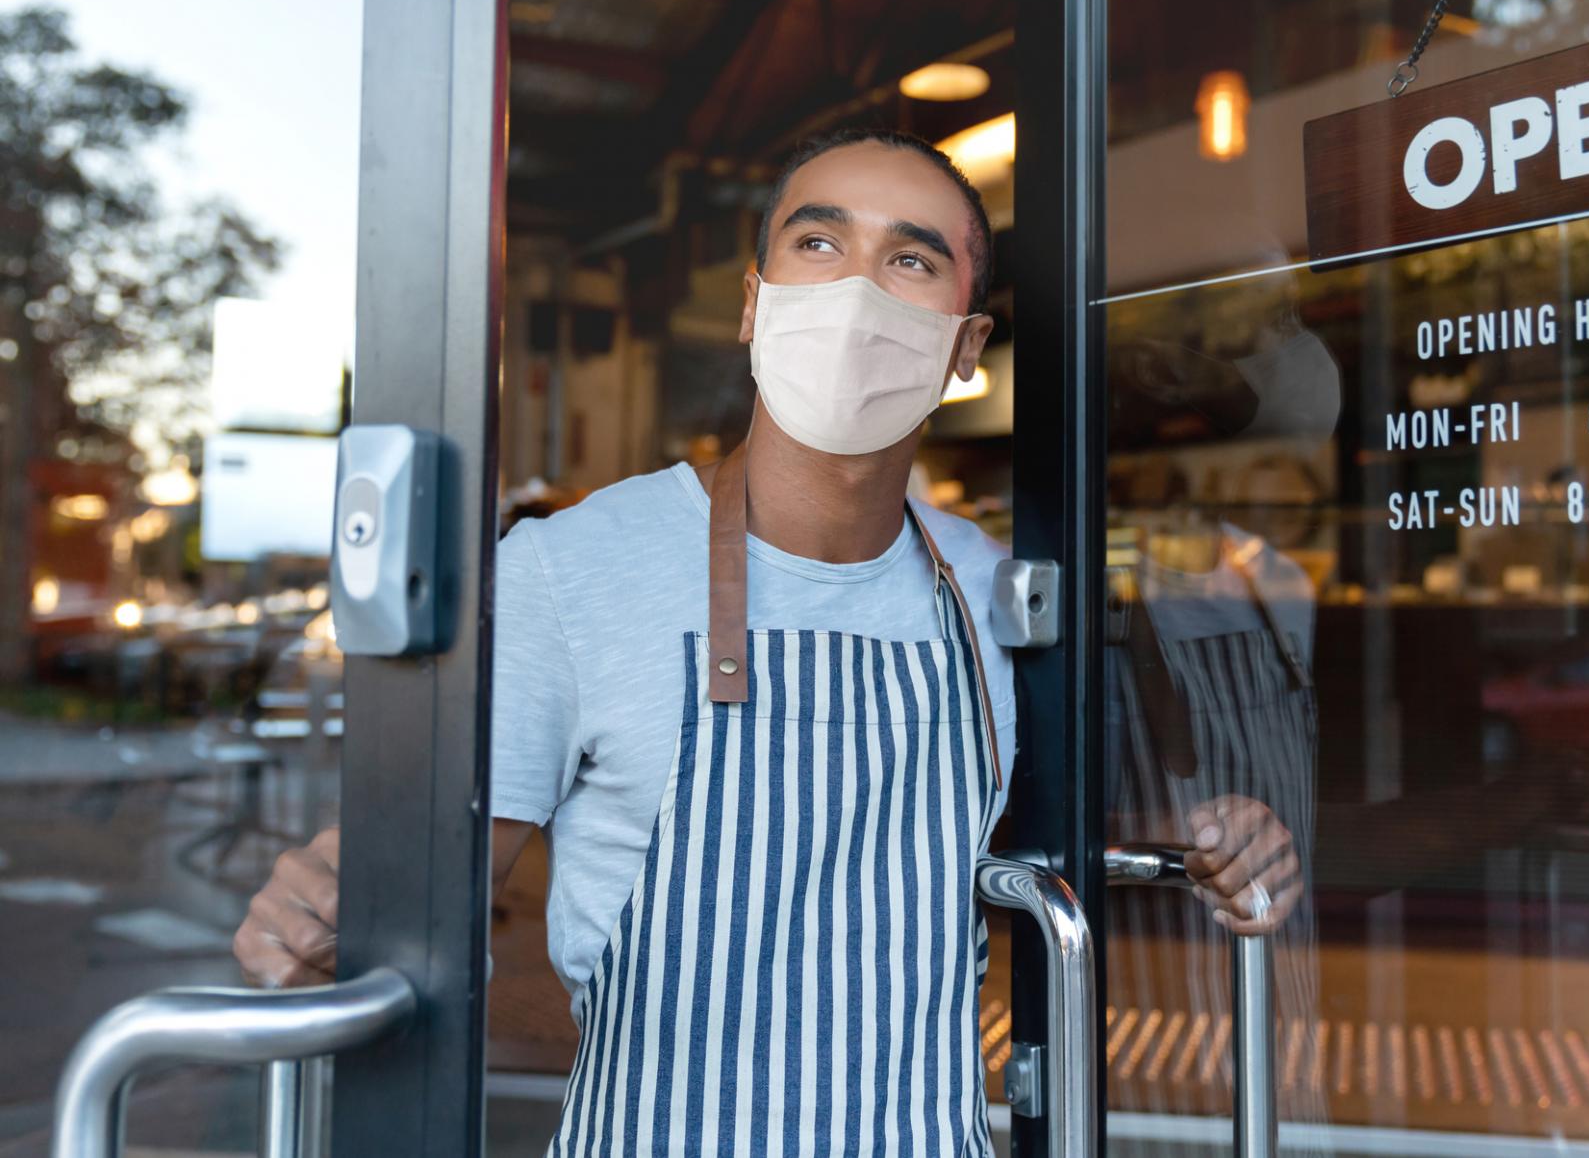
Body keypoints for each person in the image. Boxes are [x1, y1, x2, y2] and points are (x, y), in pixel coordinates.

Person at [232, 128, 1299, 1156]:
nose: (854, 292)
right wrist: (327, 909)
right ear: (754, 305)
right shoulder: (571, 569)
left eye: (911, 259)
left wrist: (1222, 844)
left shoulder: (992, 587)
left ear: (965, 349)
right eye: (817, 243)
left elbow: (1074, 830)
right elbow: (438, 877)